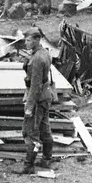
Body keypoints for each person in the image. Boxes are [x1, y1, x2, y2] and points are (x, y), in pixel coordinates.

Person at [21, 30, 56, 175]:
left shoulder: (36, 60)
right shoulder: (44, 53)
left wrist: (29, 107)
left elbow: (35, 86)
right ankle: (46, 159)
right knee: (44, 128)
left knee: (31, 132)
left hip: (37, 98)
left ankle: (29, 165)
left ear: (37, 40)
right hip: (46, 96)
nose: (26, 43)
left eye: (28, 40)